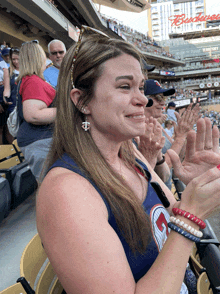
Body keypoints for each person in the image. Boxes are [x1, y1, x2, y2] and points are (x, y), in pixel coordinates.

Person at [37, 27, 220, 294]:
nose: (142, 99)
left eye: (140, 87)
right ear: (82, 101)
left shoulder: (129, 153)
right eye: (125, 87)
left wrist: (198, 187)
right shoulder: (66, 192)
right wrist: (191, 217)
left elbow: (170, 214)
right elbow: (184, 222)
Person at [16, 40, 56, 181]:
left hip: (39, 140)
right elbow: (33, 115)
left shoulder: (28, 79)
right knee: (51, 186)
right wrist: (67, 111)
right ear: (38, 57)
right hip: (40, 140)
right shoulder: (33, 81)